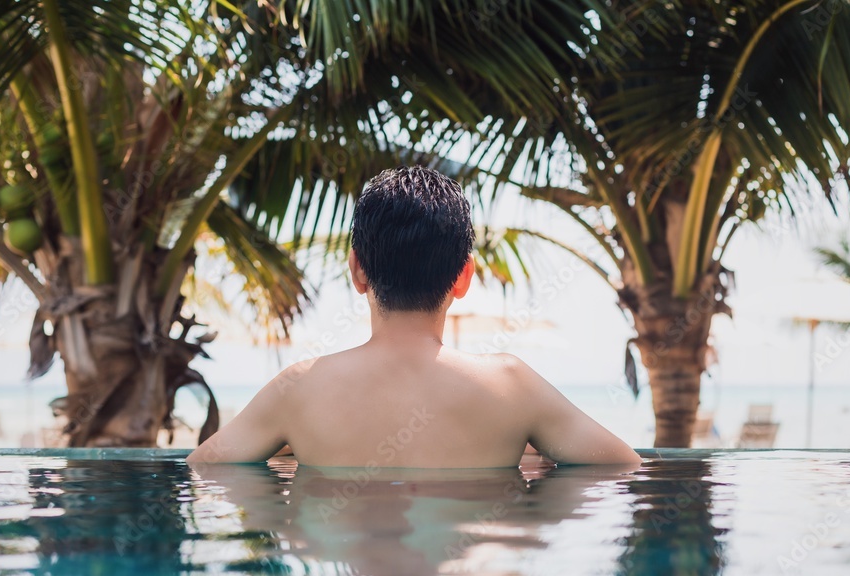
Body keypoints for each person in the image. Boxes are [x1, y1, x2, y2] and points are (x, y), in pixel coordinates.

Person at [187, 166, 641, 468]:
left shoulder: (298, 389)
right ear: (463, 277)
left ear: (357, 270)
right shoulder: (511, 387)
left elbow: (204, 468)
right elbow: (622, 465)